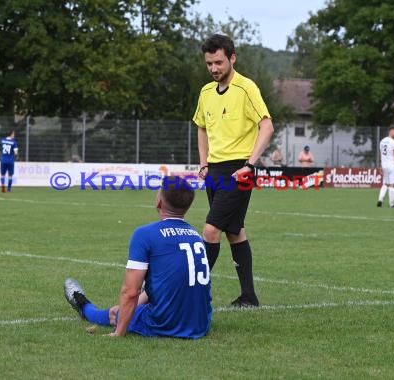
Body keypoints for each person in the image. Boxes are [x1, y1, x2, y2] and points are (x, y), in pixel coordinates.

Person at [63, 176, 212, 338]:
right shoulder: (195, 235)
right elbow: (170, 282)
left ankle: (84, 307)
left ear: (159, 202)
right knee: (139, 295)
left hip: (164, 324)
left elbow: (131, 291)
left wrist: (119, 332)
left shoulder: (145, 234)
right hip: (201, 323)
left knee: (114, 313)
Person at [193, 34, 274, 307]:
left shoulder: (246, 88)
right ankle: (249, 297)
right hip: (214, 171)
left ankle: (192, 293)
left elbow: (267, 125)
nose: (214, 68)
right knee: (234, 231)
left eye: (218, 62)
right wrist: (204, 163)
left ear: (232, 58)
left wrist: (249, 165)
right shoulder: (205, 93)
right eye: (209, 64)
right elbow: (201, 127)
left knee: (210, 230)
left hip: (238, 171)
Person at [377, 125, 394, 208]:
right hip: (392, 165)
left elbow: (380, 154)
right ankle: (392, 204)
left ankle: (380, 200)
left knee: (385, 183)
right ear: (391, 131)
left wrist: (380, 165)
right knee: (392, 184)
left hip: (384, 164)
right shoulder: (393, 142)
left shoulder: (382, 141)